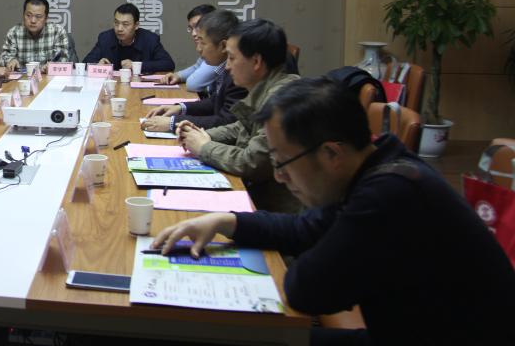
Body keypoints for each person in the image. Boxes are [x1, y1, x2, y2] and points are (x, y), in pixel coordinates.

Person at [152, 78, 515, 345]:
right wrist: (226, 221)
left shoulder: (389, 194)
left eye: (282, 162)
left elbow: (307, 290)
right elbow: (304, 228)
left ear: (331, 153)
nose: (279, 177)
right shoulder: (376, 166)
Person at [175, 19, 301, 213]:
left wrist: (204, 147)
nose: (227, 66)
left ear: (256, 62)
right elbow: (240, 127)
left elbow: (252, 163)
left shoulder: (282, 100)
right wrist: (200, 134)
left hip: (274, 210)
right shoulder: (266, 87)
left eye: (232, 58)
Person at [142, 9, 245, 131]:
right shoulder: (225, 68)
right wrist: (180, 108)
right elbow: (214, 102)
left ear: (223, 46)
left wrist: (173, 123)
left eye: (203, 43)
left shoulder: (238, 73)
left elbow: (226, 121)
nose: (198, 49)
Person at [83, 3, 175, 72]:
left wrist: (136, 66)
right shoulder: (105, 38)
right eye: (116, 23)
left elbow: (168, 64)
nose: (119, 28)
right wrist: (97, 65)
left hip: (139, 87)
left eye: (125, 24)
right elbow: (85, 63)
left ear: (136, 25)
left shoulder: (150, 40)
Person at [157, 4, 220, 92]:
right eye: (191, 28)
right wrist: (178, 76)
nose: (193, 33)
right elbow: (197, 66)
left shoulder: (218, 51)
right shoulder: (207, 49)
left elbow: (193, 84)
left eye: (198, 27)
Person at [0, 0, 71, 73]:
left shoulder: (57, 31)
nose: (33, 20)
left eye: (38, 16)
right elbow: (4, 57)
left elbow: (63, 59)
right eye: (28, 15)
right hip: (23, 78)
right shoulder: (14, 33)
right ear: (23, 15)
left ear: (46, 18)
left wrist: (52, 67)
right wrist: (11, 60)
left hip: (49, 77)